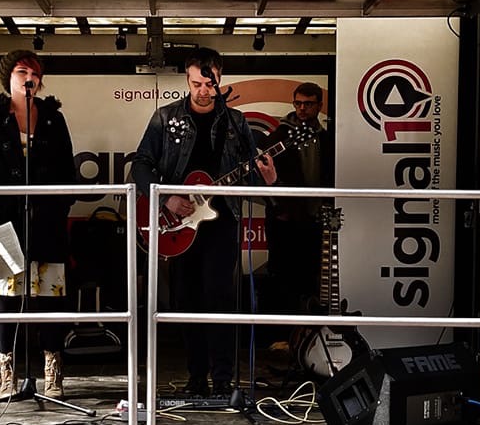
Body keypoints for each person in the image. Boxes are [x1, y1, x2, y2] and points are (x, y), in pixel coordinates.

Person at [131, 47, 276, 397]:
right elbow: (140, 164)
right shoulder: (165, 118)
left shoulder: (236, 122)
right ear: (187, 78)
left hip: (220, 220)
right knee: (185, 300)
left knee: (220, 299)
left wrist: (267, 181)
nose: (202, 90)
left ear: (219, 79)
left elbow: (247, 177)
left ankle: (224, 378)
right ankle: (196, 377)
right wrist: (167, 197)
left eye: (208, 83)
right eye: (196, 83)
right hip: (178, 225)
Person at [0, 49, 77, 398]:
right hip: (2, 220)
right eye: (20, 71)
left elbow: (67, 172)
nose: (27, 77)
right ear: (8, 78)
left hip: (46, 221)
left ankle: (52, 370)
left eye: (33, 72)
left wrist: (59, 206)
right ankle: (6, 371)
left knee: (50, 297)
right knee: (8, 297)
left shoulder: (53, 119)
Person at [266, 82, 335, 313]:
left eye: (308, 103)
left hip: (316, 219)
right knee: (283, 276)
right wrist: (279, 209)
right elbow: (263, 176)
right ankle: (283, 337)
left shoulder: (327, 139)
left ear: (319, 105)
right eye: (298, 103)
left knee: (314, 275)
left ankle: (311, 336)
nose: (302, 108)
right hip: (285, 220)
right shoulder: (279, 136)